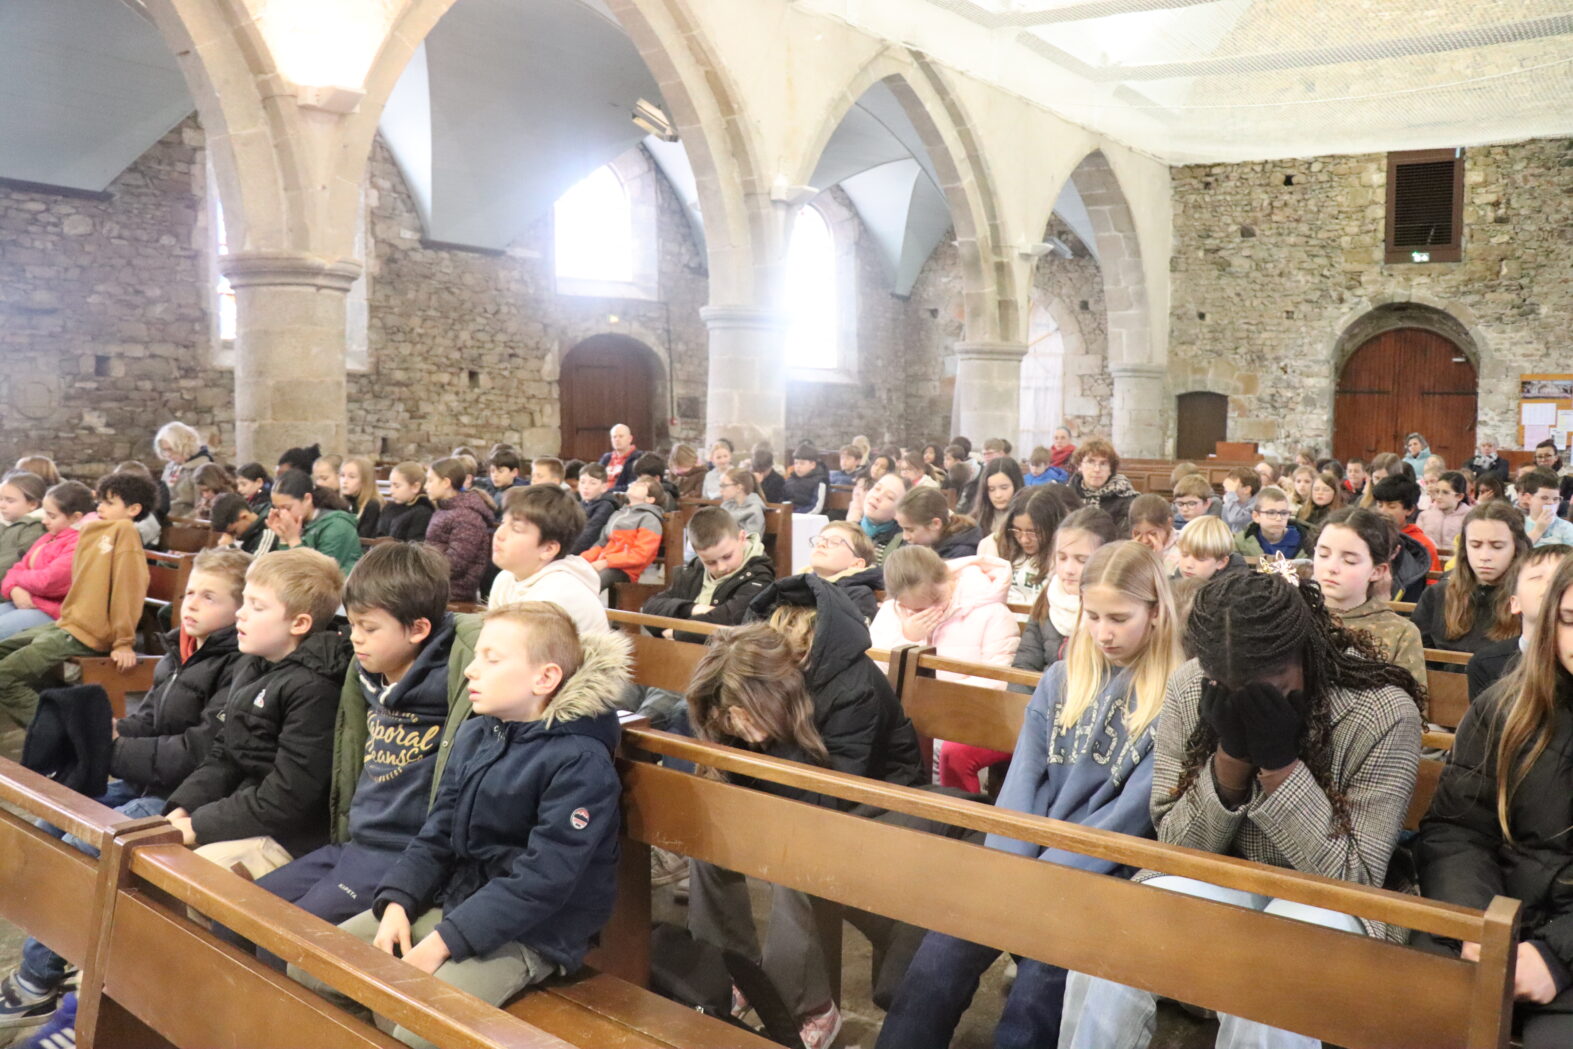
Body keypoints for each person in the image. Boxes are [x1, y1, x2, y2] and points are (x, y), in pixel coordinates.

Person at [1060, 566, 1424, 1049]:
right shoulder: (1192, 684)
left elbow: (1355, 880)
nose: (1245, 699)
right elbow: (1175, 848)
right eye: (1227, 686)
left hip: (1329, 902)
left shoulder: (1381, 712)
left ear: (1301, 654)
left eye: (1267, 686)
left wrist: (1280, 765)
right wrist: (1230, 760)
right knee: (1113, 937)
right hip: (1224, 873)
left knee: (1271, 977)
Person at [879, 541, 1178, 1049]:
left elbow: (1131, 812)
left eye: (1119, 619)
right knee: (938, 958)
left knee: (1038, 990)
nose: (1103, 633)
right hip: (1024, 852)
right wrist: (1012, 864)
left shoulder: (1175, 695)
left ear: (1155, 613)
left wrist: (1046, 877)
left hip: (1101, 866)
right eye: (1092, 616)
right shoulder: (1061, 678)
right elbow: (1023, 778)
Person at [289, 602, 628, 1049]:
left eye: (492, 658)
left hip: (532, 932)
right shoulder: (478, 733)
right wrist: (398, 902)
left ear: (544, 678)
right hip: (458, 902)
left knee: (421, 1029)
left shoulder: (580, 762)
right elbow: (437, 833)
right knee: (314, 966)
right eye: (476, 654)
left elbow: (543, 881)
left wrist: (442, 942)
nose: (471, 669)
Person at [0, 547, 250, 1031]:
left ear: (239, 610)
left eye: (210, 597)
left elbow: (197, 753)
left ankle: (37, 980)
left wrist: (112, 751)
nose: (192, 604)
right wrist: (108, 732)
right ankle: (59, 954)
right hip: (144, 778)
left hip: (182, 799)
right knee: (51, 821)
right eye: (191, 593)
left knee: (85, 850)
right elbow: (150, 719)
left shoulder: (237, 666)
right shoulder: (182, 650)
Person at [225, 544, 459, 968]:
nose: (355, 638)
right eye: (352, 624)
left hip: (401, 856)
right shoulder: (367, 675)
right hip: (355, 843)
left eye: (369, 628)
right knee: (235, 914)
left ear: (418, 629)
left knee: (280, 945)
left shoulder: (452, 691)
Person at [683, 621, 908, 1048]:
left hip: (879, 812)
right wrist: (737, 732)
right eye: (733, 719)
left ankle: (806, 1007)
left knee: (794, 864)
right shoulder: (748, 665)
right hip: (799, 805)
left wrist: (768, 738)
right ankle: (733, 972)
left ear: (778, 694)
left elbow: (828, 802)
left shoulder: (849, 691)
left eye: (747, 717)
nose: (742, 730)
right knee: (709, 844)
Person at [1416, 553, 1573, 1047]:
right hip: (1495, 918)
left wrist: (1558, 956)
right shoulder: (1507, 706)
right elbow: (1457, 828)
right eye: (1570, 620)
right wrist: (1479, 926)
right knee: (1411, 1012)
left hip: (1565, 944)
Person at [162, 549, 351, 879]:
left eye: (257, 606)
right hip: (243, 811)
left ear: (299, 623)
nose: (241, 613)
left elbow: (287, 800)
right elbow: (224, 754)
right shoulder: (253, 663)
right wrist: (182, 809)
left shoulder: (316, 689)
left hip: (287, 837)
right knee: (145, 848)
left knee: (181, 876)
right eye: (244, 601)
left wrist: (197, 825)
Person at [0, 472, 154, 760]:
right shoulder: (97, 531)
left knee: (4, 677)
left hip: (88, 632)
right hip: (70, 624)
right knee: (4, 652)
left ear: (133, 509)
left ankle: (65, 740)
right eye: (100, 501)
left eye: (109, 503)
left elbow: (129, 590)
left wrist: (124, 641)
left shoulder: (124, 533)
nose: (101, 508)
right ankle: (66, 714)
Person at [869, 545, 1019, 790]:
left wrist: (938, 703)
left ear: (949, 578)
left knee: (941, 749)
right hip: (905, 715)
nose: (929, 612)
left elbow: (1000, 678)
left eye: (936, 600)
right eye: (916, 610)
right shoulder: (892, 612)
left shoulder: (991, 613)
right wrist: (910, 638)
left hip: (969, 713)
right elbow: (874, 670)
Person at [1312, 507, 1426, 683]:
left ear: (1376, 571)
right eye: (1323, 554)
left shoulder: (1399, 632)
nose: (1331, 568)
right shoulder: (1292, 615)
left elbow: (1411, 697)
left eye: (1349, 561)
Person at [1011, 507, 1117, 689]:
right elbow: (1024, 664)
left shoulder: (1118, 608)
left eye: (1082, 560)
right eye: (1062, 558)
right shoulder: (1048, 597)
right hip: (1043, 699)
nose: (1068, 569)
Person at [488, 486, 608, 638]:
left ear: (549, 549)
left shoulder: (556, 595)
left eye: (516, 528)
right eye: (503, 522)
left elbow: (516, 650)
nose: (499, 534)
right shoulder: (506, 578)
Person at [643, 506, 775, 643]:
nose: (722, 567)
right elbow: (650, 609)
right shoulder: (693, 571)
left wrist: (678, 633)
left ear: (742, 538)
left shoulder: (760, 577)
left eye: (727, 556)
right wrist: (693, 608)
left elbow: (730, 620)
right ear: (698, 555)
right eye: (710, 562)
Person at [1411, 500, 1529, 653]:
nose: (1484, 556)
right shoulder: (1436, 594)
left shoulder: (1531, 600)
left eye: (1497, 546)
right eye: (1475, 545)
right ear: (1464, 548)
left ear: (1516, 549)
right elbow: (1419, 653)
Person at [1467, 544, 1567, 700]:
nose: (1551, 583)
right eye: (1536, 577)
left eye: (1561, 577)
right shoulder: (1486, 664)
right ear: (1515, 603)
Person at [0, 482, 94, 640]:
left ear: (76, 517)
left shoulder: (82, 542)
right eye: (45, 514)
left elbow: (49, 581)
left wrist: (17, 582)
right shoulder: (49, 537)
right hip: (28, 601)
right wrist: (14, 589)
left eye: (52, 516)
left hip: (55, 612)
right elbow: (17, 568)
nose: (44, 521)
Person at [986, 485, 1080, 605]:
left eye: (1033, 532)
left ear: (1053, 527)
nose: (1024, 540)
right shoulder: (999, 546)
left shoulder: (1066, 558)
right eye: (1017, 530)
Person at [422, 458, 495, 602]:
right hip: (434, 582)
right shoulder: (446, 509)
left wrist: (420, 569)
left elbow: (455, 564)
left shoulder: (467, 517)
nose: (425, 486)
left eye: (430, 481)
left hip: (452, 590)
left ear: (446, 482)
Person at [268, 468, 363, 575]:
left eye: (287, 508)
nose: (282, 514)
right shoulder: (298, 523)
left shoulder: (337, 526)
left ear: (307, 499)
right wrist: (283, 537)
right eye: (277, 508)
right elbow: (286, 571)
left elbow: (319, 575)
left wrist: (293, 539)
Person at [581, 476, 666, 590]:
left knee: (590, 583)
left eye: (642, 485)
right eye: (635, 482)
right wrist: (583, 559)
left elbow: (640, 555)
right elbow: (601, 544)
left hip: (625, 570)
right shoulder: (619, 514)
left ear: (649, 499)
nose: (634, 484)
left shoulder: (649, 519)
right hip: (604, 562)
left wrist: (606, 562)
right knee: (571, 572)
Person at [804, 521, 881, 620]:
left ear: (857, 564)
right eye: (819, 541)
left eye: (834, 542)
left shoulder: (858, 595)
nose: (821, 544)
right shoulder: (798, 585)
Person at [1068, 439, 1136, 536]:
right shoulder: (1067, 495)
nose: (1097, 469)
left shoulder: (1125, 498)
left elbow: (1124, 537)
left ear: (1110, 469)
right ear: (1079, 466)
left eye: (1103, 464)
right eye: (1091, 462)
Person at [896, 486, 982, 561]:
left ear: (935, 524)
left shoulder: (962, 555)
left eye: (910, 530)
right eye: (903, 529)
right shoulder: (917, 544)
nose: (905, 537)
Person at [154, 421, 214, 518]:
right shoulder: (170, 466)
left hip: (186, 522)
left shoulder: (203, 469)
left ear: (184, 445)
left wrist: (178, 523)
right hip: (167, 518)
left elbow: (202, 508)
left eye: (170, 449)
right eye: (164, 450)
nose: (168, 454)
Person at [1233, 485, 1308, 560]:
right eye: (1271, 513)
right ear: (1256, 516)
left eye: (1284, 513)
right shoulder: (1241, 541)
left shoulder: (1306, 541)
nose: (1279, 518)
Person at [0, 473, 47, 579]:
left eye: (10, 501)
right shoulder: (6, 522)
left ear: (32, 504)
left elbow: (10, 562)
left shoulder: (34, 528)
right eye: (0, 499)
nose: (1, 505)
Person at [568, 461, 619, 556]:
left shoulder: (606, 506)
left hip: (592, 553)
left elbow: (589, 536)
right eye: (582, 482)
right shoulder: (581, 503)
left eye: (593, 483)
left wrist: (564, 553)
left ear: (604, 487)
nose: (585, 487)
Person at [376, 462, 436, 542]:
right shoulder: (389, 508)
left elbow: (415, 545)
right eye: (390, 485)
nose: (391, 491)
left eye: (397, 486)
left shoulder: (423, 513)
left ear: (415, 487)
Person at [858, 473, 909, 566]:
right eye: (877, 489)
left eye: (889, 497)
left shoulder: (902, 544)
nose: (877, 496)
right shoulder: (848, 530)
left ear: (899, 512)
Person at [972, 457, 1024, 543]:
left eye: (1004, 488)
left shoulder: (1028, 519)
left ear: (1016, 485)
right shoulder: (975, 521)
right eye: (991, 489)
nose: (998, 495)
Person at [1417, 469, 1470, 555]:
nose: (1439, 496)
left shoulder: (1469, 517)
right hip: (1430, 560)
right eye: (1437, 491)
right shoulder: (1425, 515)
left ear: (1459, 496)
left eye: (1445, 492)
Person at [1176, 516, 1243, 581]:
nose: (1188, 564)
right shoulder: (1175, 581)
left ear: (1221, 562)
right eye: (1184, 555)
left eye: (1200, 559)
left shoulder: (1237, 586)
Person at [210, 492, 277, 556]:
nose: (233, 537)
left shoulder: (268, 531)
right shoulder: (248, 532)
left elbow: (256, 563)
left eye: (234, 532)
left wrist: (230, 548)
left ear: (244, 516)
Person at [1520, 469, 1573, 548]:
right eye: (1544, 498)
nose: (1551, 503)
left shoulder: (1567, 528)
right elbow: (1515, 552)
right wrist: (1537, 531)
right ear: (1528, 498)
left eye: (1555, 499)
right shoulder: (1518, 526)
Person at [1128, 493, 1180, 574]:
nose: (1144, 540)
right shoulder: (1129, 549)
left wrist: (1157, 560)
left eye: (1152, 534)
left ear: (1168, 523)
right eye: (1138, 533)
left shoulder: (1183, 549)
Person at [339, 456, 384, 540]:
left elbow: (363, 537)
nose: (344, 481)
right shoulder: (342, 501)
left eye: (352, 477)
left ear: (365, 480)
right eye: (342, 475)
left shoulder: (372, 504)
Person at [719, 467, 767, 536]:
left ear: (738, 488)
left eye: (724, 486)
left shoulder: (754, 510)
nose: (721, 490)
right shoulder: (727, 505)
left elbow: (751, 540)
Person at [784, 443, 830, 514]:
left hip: (808, 517)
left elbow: (816, 507)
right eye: (796, 463)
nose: (798, 466)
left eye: (802, 463)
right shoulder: (790, 480)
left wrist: (797, 515)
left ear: (813, 465)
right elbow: (782, 500)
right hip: (788, 515)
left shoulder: (819, 481)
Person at [599, 423, 641, 492]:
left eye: (621, 436)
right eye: (614, 437)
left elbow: (631, 486)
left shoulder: (638, 458)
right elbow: (595, 477)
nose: (617, 439)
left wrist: (605, 491)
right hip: (600, 494)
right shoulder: (606, 458)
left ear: (630, 439)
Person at [1302, 469, 1345, 534]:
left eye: (1326, 490)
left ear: (1335, 492)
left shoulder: (1343, 514)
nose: (1320, 493)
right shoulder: (1303, 511)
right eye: (1316, 489)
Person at [1219, 466, 1259, 534]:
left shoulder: (1257, 505)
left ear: (1247, 489)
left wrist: (1231, 495)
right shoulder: (1229, 504)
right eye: (1226, 488)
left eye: (1231, 487)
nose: (1227, 492)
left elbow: (1235, 518)